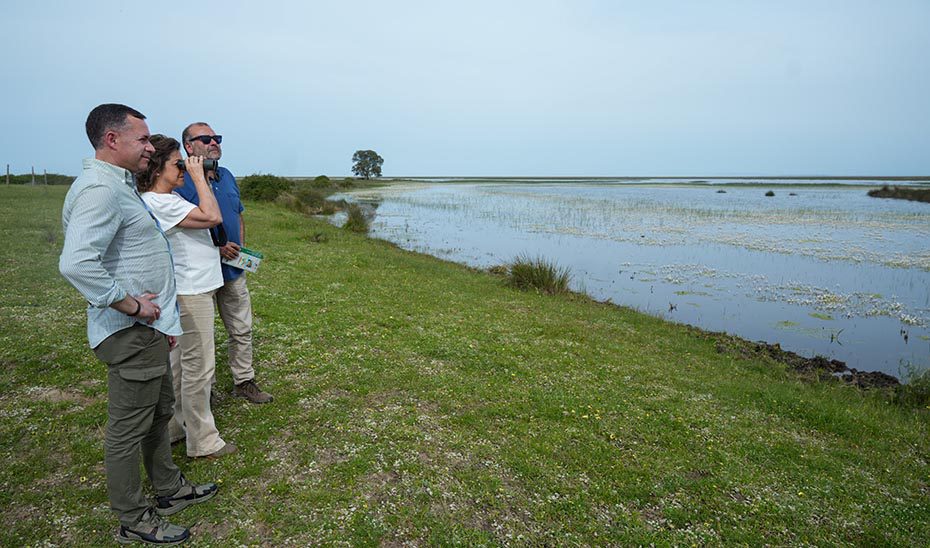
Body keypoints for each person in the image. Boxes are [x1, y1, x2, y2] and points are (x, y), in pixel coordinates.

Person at [60, 104, 217, 545]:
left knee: (158, 415)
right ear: (112, 140)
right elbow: (76, 263)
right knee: (128, 430)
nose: (151, 147)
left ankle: (168, 490)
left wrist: (160, 316)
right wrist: (130, 305)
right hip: (129, 330)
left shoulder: (119, 185)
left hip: (150, 329)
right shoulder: (100, 190)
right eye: (143, 139)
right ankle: (133, 516)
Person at [137, 135, 237, 459]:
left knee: (180, 366)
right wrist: (198, 176)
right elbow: (212, 217)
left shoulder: (168, 199)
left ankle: (177, 427)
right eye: (177, 164)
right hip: (191, 291)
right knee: (200, 367)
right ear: (157, 169)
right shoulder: (159, 202)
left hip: (194, 288)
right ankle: (203, 441)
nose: (183, 168)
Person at [176, 122, 273, 404]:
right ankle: (204, 391)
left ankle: (244, 381)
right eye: (205, 139)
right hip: (199, 273)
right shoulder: (180, 180)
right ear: (188, 146)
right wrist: (217, 249)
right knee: (200, 338)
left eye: (216, 138)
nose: (214, 142)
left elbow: (237, 214)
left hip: (233, 270)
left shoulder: (226, 175)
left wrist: (239, 249)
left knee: (242, 328)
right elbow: (178, 225)